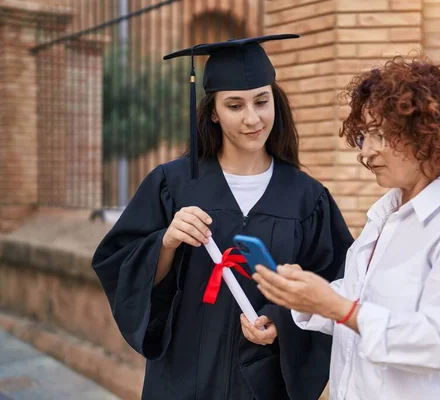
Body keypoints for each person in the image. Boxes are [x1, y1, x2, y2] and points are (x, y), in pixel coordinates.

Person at [92, 34, 353, 400]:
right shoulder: (173, 183)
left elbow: (336, 280)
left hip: (262, 382)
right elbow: (118, 265)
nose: (252, 118)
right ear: (213, 111)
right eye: (235, 105)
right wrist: (166, 242)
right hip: (182, 379)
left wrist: (281, 321)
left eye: (262, 101)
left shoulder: (306, 198)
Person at [253, 55, 440, 399]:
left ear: (427, 135)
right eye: (364, 135)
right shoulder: (385, 216)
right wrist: (303, 300)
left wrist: (337, 307)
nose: (367, 152)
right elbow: (360, 307)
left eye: (381, 135)